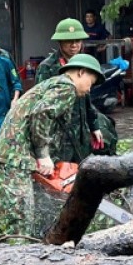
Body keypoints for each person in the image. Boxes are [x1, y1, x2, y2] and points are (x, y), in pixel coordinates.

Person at [0, 54, 103, 236]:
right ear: (81, 72)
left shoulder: (53, 85)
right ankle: (17, 261)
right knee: (19, 225)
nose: (89, 90)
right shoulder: (67, 88)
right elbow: (41, 114)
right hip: (13, 161)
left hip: (13, 159)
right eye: (91, 82)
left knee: (20, 222)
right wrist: (43, 156)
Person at [36, 18, 112, 162]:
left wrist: (94, 126)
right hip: (59, 134)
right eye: (68, 41)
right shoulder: (47, 67)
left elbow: (87, 99)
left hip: (81, 131)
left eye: (77, 40)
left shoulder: (85, 64)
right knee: (61, 175)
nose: (74, 45)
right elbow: (41, 107)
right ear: (60, 42)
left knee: (83, 170)